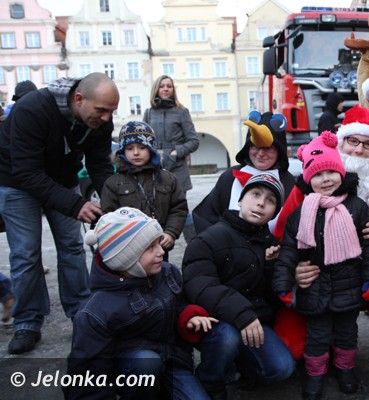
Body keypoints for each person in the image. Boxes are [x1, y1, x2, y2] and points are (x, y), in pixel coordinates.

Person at [272, 104, 369, 389]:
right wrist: (296, 270)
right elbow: (282, 236)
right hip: (318, 277)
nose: (359, 150)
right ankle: (320, 361)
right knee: (293, 349)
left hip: (366, 269)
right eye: (353, 141)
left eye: (368, 145)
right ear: (340, 142)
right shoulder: (310, 183)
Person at [0, 72, 118, 354]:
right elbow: (27, 173)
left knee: (72, 247)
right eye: (101, 110)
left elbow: (100, 165)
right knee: (26, 254)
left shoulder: (99, 120)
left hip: (63, 180)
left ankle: (81, 312)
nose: (106, 118)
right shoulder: (32, 110)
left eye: (111, 112)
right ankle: (27, 322)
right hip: (17, 183)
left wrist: (113, 201)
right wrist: (76, 205)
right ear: (78, 99)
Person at [67, 207, 214, 400]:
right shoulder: (94, 312)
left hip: (173, 362)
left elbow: (177, 303)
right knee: (146, 361)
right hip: (135, 373)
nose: (161, 251)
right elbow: (87, 374)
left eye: (159, 243)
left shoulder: (167, 272)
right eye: (150, 247)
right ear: (125, 258)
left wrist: (188, 315)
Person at [183, 174, 295, 399]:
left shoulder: (272, 245)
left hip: (253, 322)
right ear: (241, 200)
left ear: (275, 212)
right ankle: (210, 379)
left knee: (282, 368)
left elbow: (273, 298)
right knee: (227, 337)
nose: (261, 203)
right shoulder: (208, 239)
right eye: (255, 194)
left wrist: (271, 268)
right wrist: (242, 314)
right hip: (217, 322)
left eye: (270, 200)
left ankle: (241, 365)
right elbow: (201, 285)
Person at [192, 111, 295, 234]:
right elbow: (206, 217)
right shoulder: (230, 176)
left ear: (280, 151)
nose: (261, 154)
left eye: (268, 148)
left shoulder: (289, 182)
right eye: (255, 146)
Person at [101, 121, 188, 258]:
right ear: (122, 151)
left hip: (160, 245)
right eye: (130, 148)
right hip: (128, 249)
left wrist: (171, 232)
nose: (136, 153)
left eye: (142, 147)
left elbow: (178, 209)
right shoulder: (113, 183)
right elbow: (109, 216)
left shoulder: (167, 179)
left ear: (151, 149)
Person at [144, 75, 199, 194]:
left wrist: (177, 152)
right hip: (154, 168)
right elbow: (143, 140)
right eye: (162, 86)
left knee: (178, 204)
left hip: (177, 168)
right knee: (155, 204)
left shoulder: (182, 111)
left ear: (173, 90)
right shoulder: (149, 113)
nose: (166, 89)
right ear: (156, 89)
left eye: (169, 86)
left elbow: (194, 141)